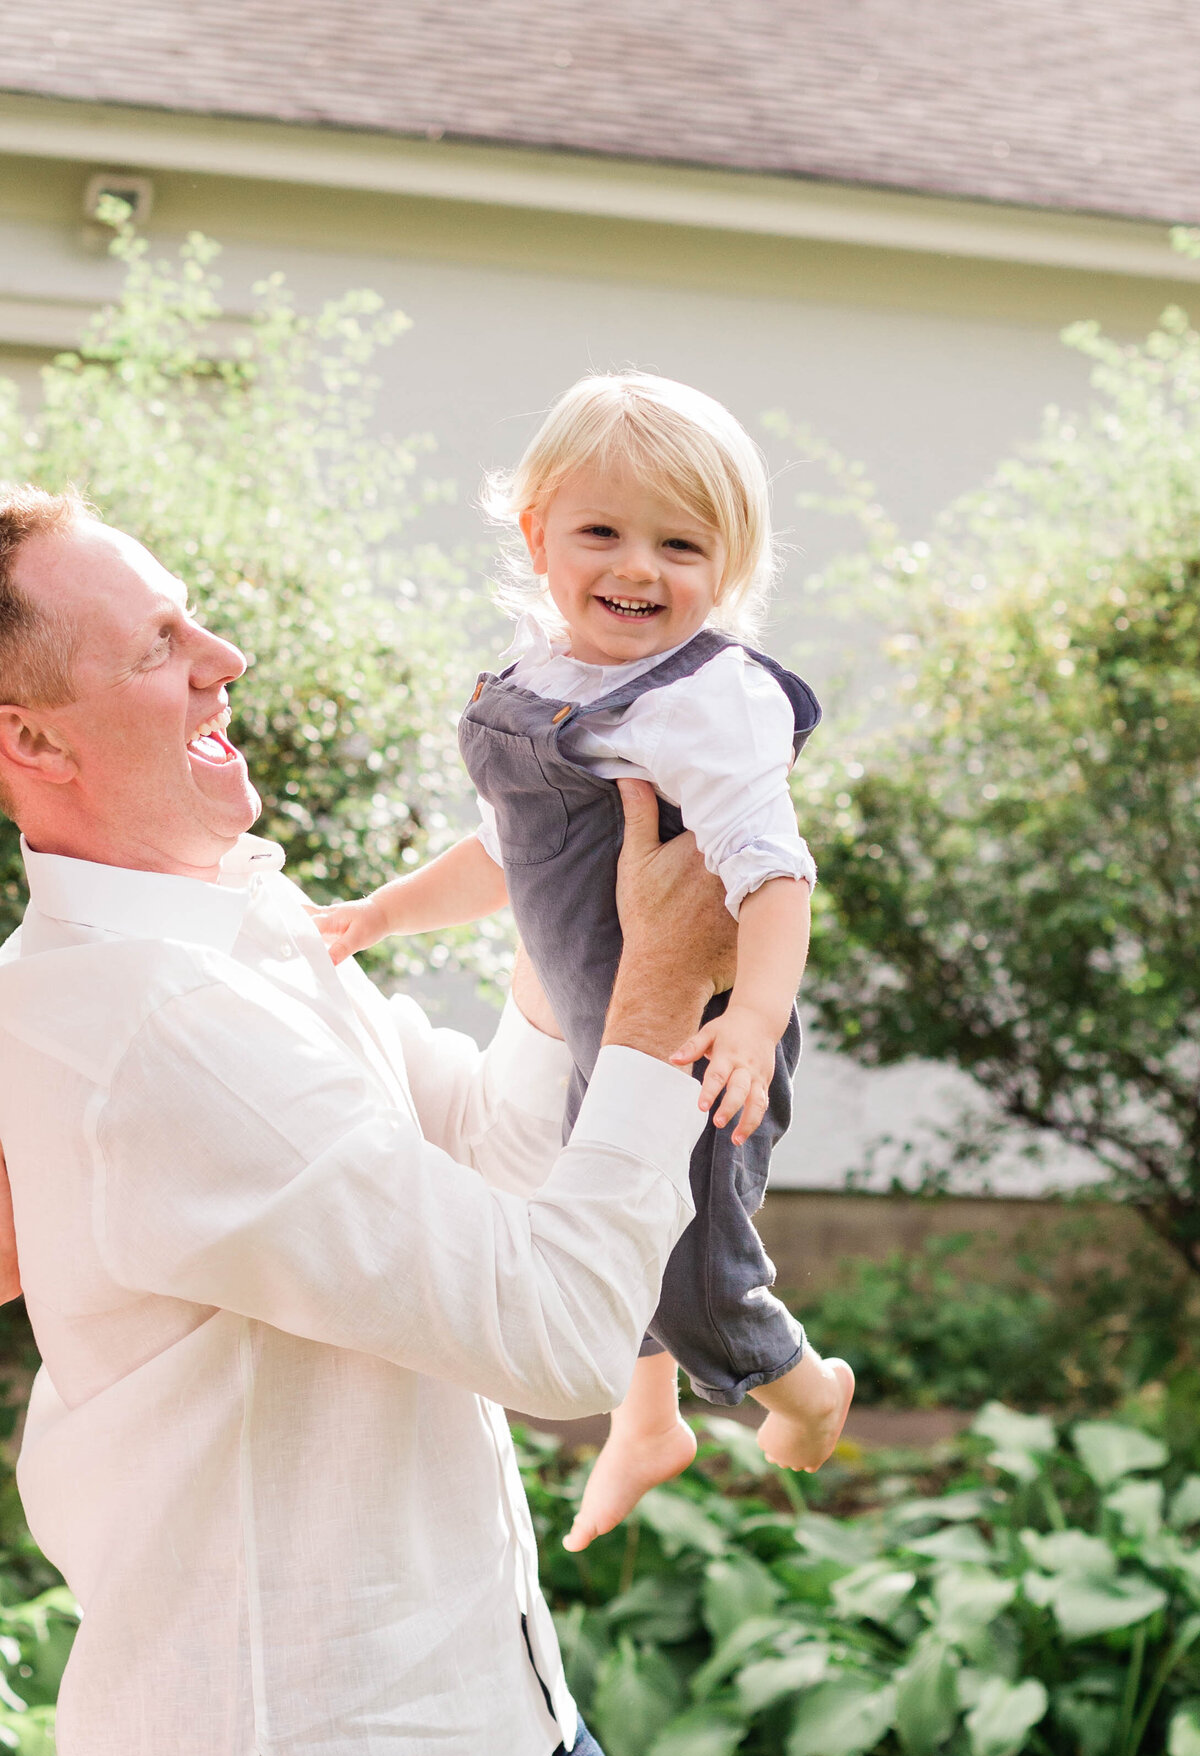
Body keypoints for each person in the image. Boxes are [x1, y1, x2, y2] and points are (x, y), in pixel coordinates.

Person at [0, 484, 742, 1756]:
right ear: (33, 742)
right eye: (158, 646)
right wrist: (657, 1001)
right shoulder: (155, 1031)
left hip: (493, 1719)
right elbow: (558, 1339)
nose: (223, 662)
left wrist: (562, 937)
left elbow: (484, 1154)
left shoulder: (236, 926)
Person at [313, 372, 855, 1554]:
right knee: (607, 1221)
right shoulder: (540, 681)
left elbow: (773, 875)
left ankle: (808, 1391)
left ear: (733, 567)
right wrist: (384, 915)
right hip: (587, 1021)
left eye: (681, 544)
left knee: (694, 1267)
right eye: (602, 532)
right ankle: (646, 1424)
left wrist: (755, 1020)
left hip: (702, 1032)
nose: (638, 568)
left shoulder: (708, 701)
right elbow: (508, 852)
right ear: (537, 535)